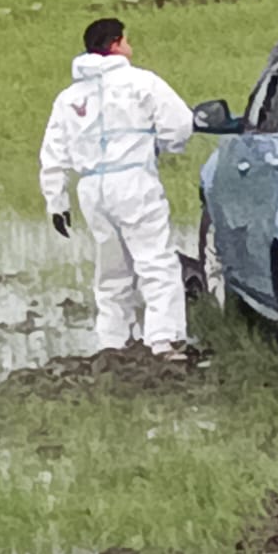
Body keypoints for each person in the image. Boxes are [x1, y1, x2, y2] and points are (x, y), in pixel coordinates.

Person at [39, 18, 196, 356]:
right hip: (133, 181)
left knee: (111, 267)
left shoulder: (68, 98)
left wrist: (56, 202)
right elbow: (181, 123)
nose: (130, 47)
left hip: (92, 188)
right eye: (127, 41)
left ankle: (112, 341)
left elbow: (52, 154)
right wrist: (164, 146)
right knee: (156, 261)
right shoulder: (141, 82)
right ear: (115, 44)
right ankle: (163, 339)